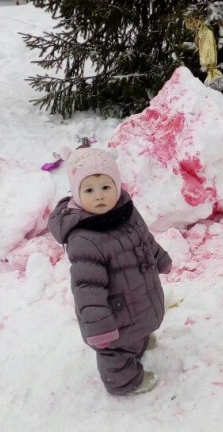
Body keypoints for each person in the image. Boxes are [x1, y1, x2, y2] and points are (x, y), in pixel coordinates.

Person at [48, 146, 172, 395]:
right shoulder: (83, 238)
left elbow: (144, 239)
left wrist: (159, 257)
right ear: (77, 193)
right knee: (116, 347)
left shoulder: (125, 211)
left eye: (105, 187)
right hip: (114, 311)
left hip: (138, 295)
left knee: (138, 323)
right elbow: (87, 289)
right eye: (89, 190)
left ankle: (140, 339)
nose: (99, 196)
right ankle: (124, 382)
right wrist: (99, 328)